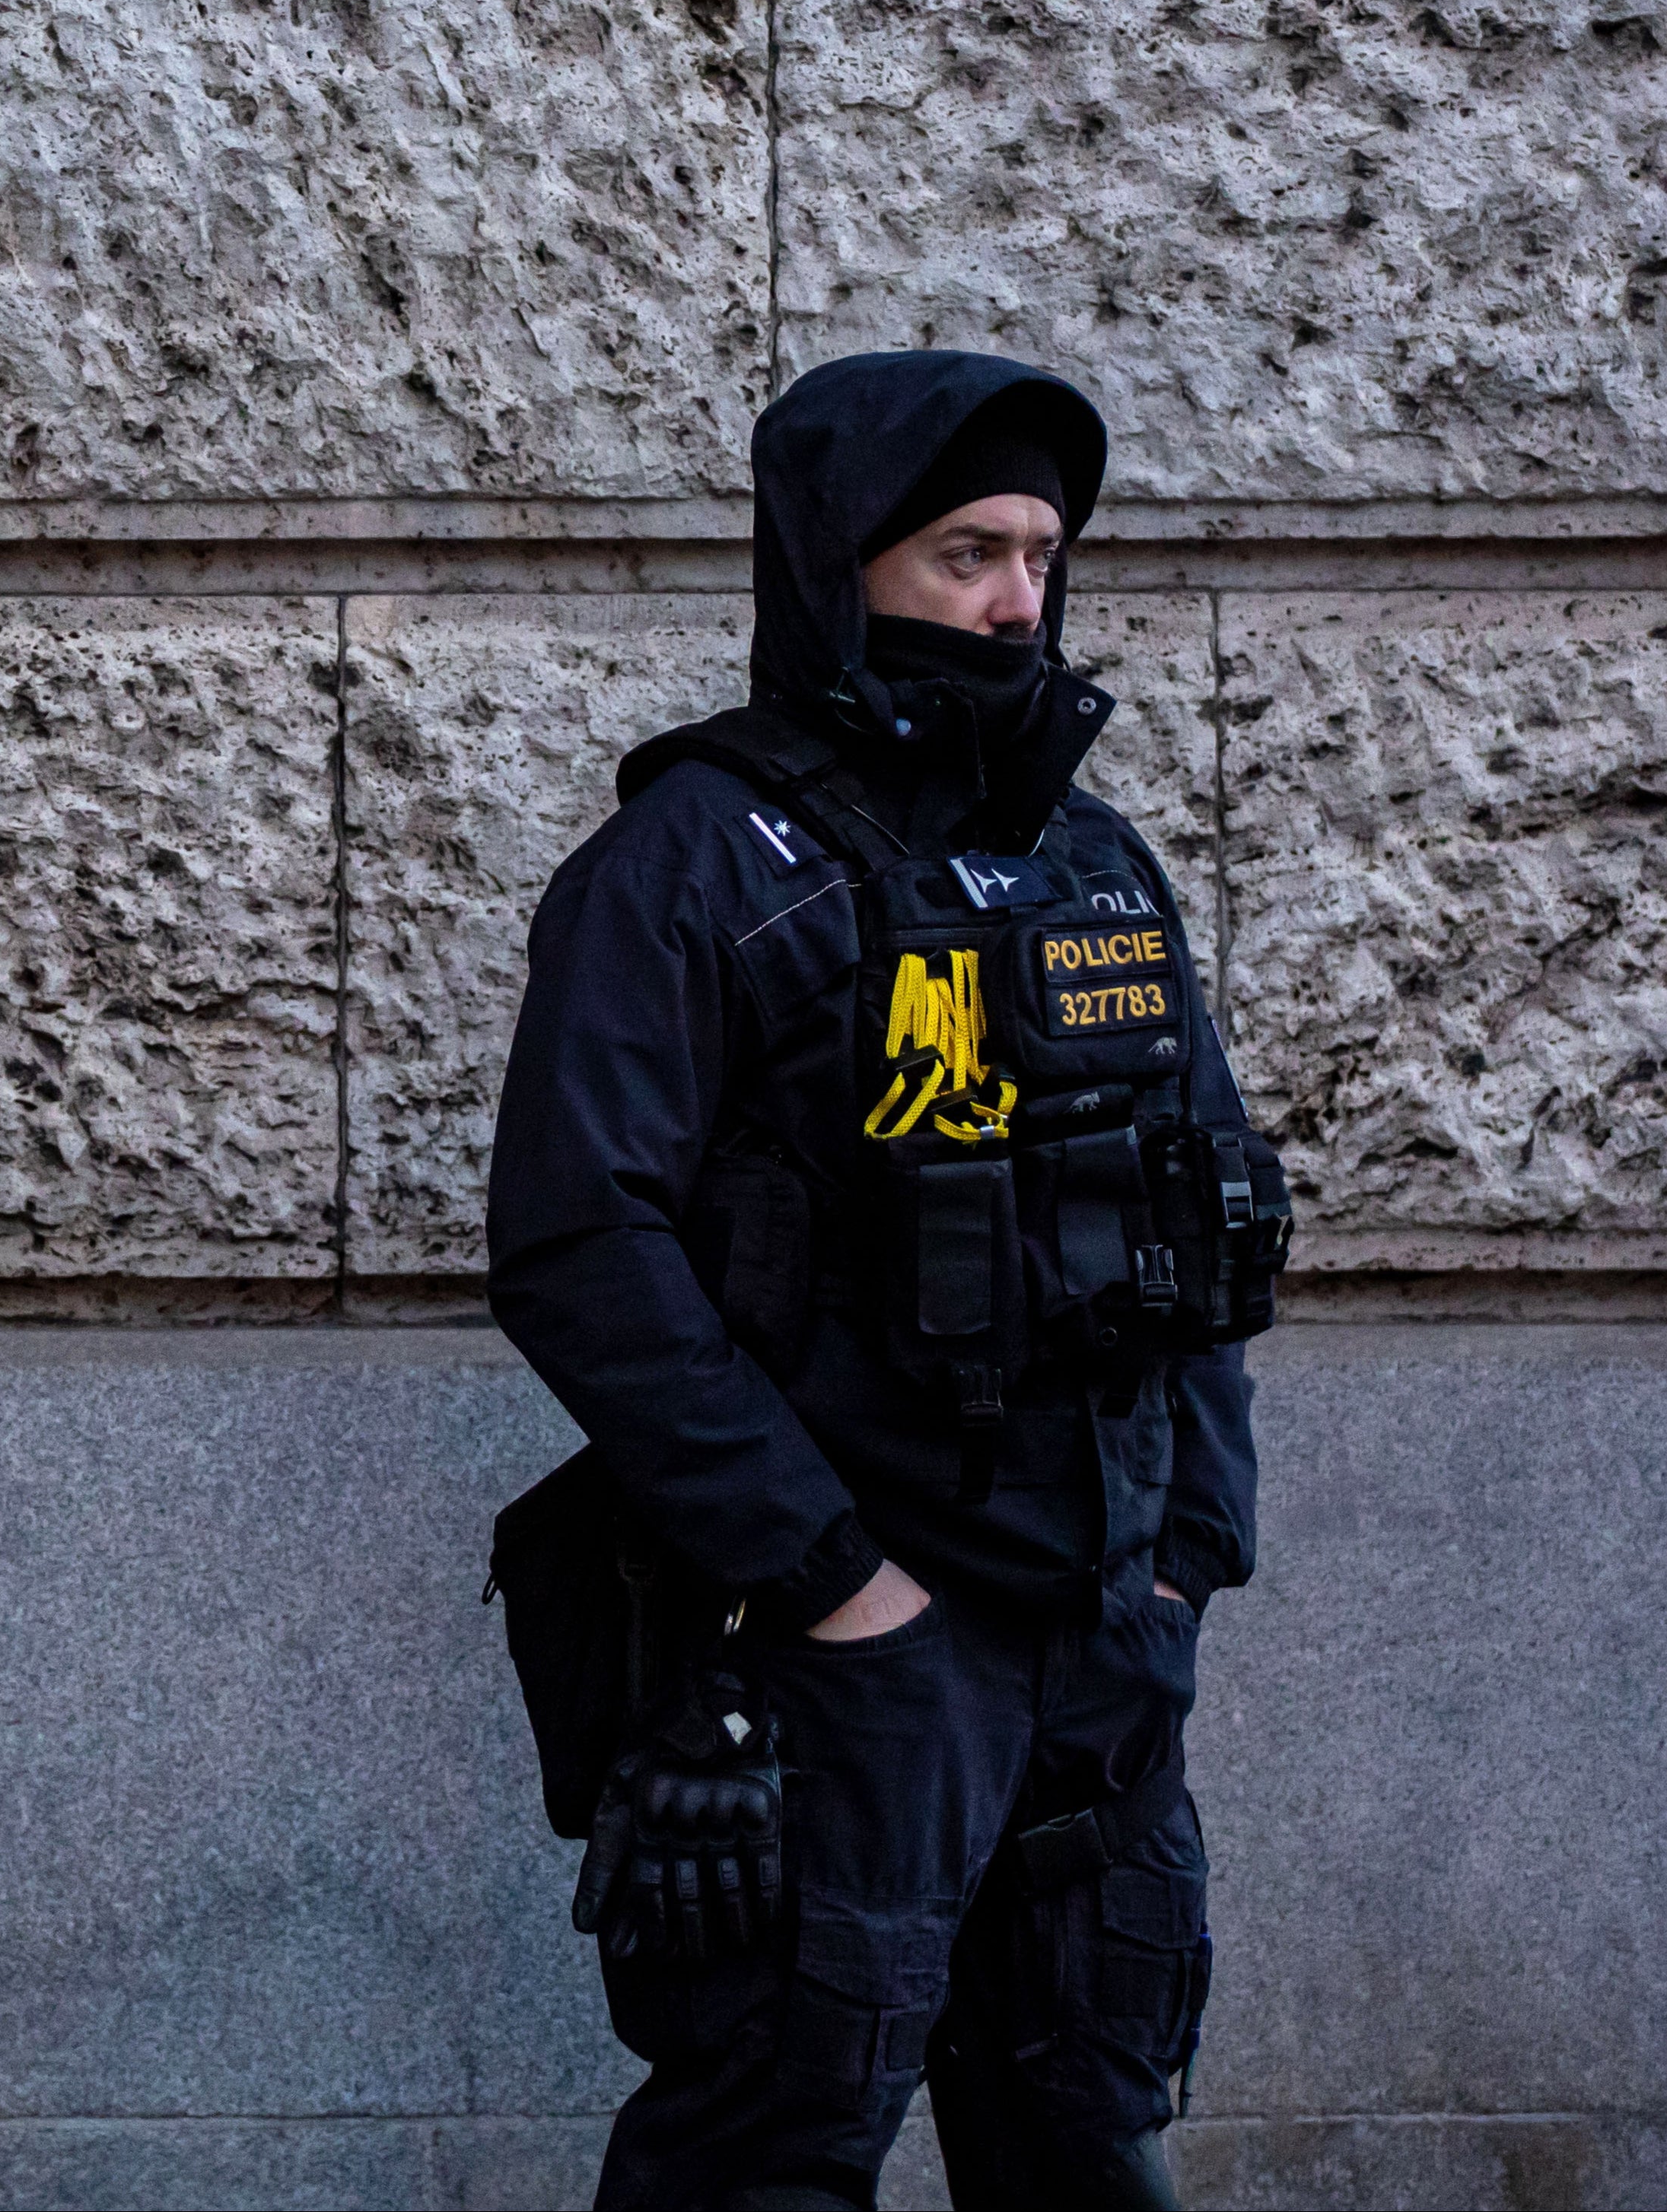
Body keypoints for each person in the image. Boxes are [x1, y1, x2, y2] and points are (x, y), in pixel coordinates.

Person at [485, 354, 1291, 2212]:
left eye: (1037, 554)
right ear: (838, 562)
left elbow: (1203, 1228)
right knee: (770, 2140)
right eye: (964, 552)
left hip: (1096, 1635)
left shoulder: (1088, 863)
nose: (1016, 598)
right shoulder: (689, 864)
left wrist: (1182, 1560)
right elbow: (574, 1243)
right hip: (846, 1644)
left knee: (1089, 2127)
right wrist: (838, 1585)